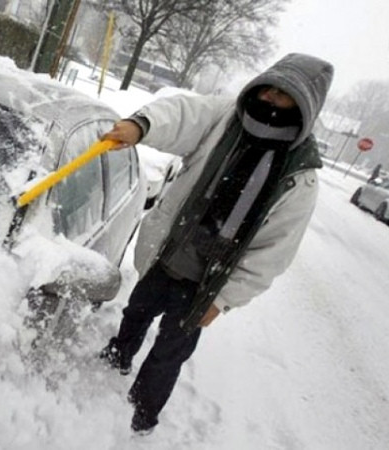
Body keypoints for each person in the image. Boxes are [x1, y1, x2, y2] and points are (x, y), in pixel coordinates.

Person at [98, 53, 334, 434]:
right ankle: (118, 355)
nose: (271, 98)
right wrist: (141, 125)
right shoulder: (226, 119)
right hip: (168, 255)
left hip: (205, 284)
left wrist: (223, 300)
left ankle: (142, 416)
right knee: (137, 311)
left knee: (169, 354)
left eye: (284, 94)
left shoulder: (299, 176)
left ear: (305, 105)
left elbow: (273, 252)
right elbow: (181, 114)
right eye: (269, 87)